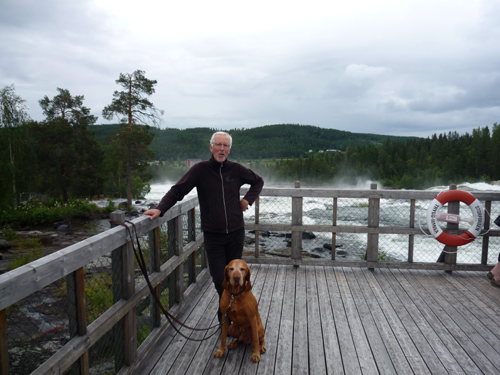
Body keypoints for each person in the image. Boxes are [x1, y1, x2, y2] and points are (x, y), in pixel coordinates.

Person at [143, 131, 264, 321]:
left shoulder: (236, 170)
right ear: (211, 147)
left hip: (235, 233)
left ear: (229, 149)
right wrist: (160, 209)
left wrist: (248, 200)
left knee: (235, 278)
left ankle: (229, 316)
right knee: (219, 279)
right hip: (213, 235)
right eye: (218, 145)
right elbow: (178, 190)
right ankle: (226, 310)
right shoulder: (200, 170)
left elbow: (258, 182)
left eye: (225, 146)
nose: (221, 149)